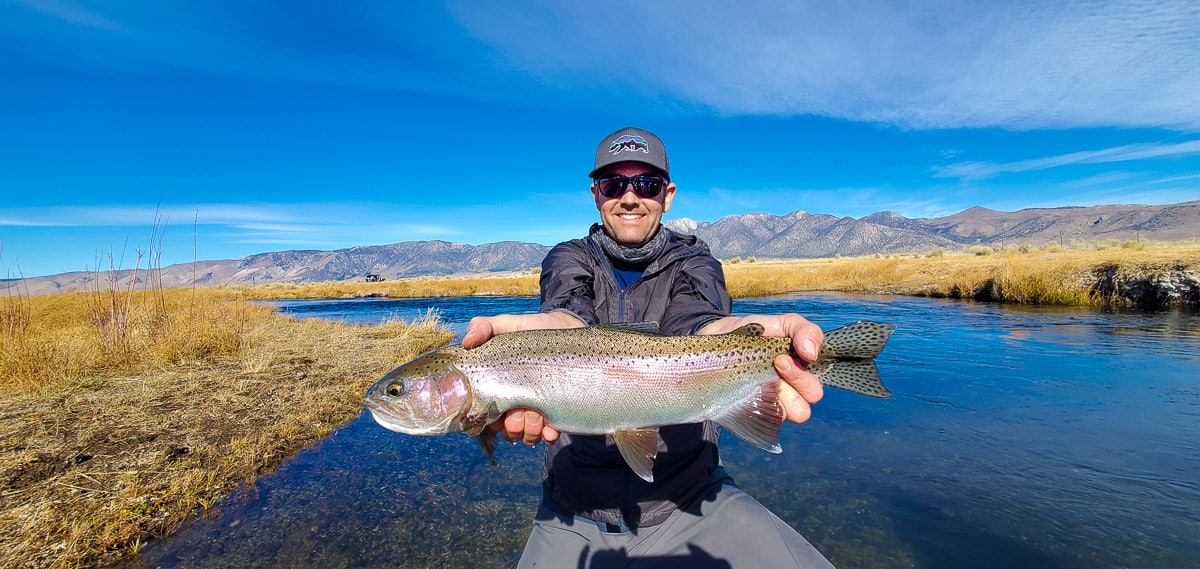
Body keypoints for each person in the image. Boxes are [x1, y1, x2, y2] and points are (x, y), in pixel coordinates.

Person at [462, 127, 835, 568]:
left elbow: (700, 323)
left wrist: (750, 345)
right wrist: (544, 336)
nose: (630, 197)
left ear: (668, 194)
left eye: (646, 184)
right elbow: (567, 315)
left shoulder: (695, 260)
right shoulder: (568, 257)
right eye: (613, 183)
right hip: (572, 511)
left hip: (693, 499)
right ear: (596, 194)